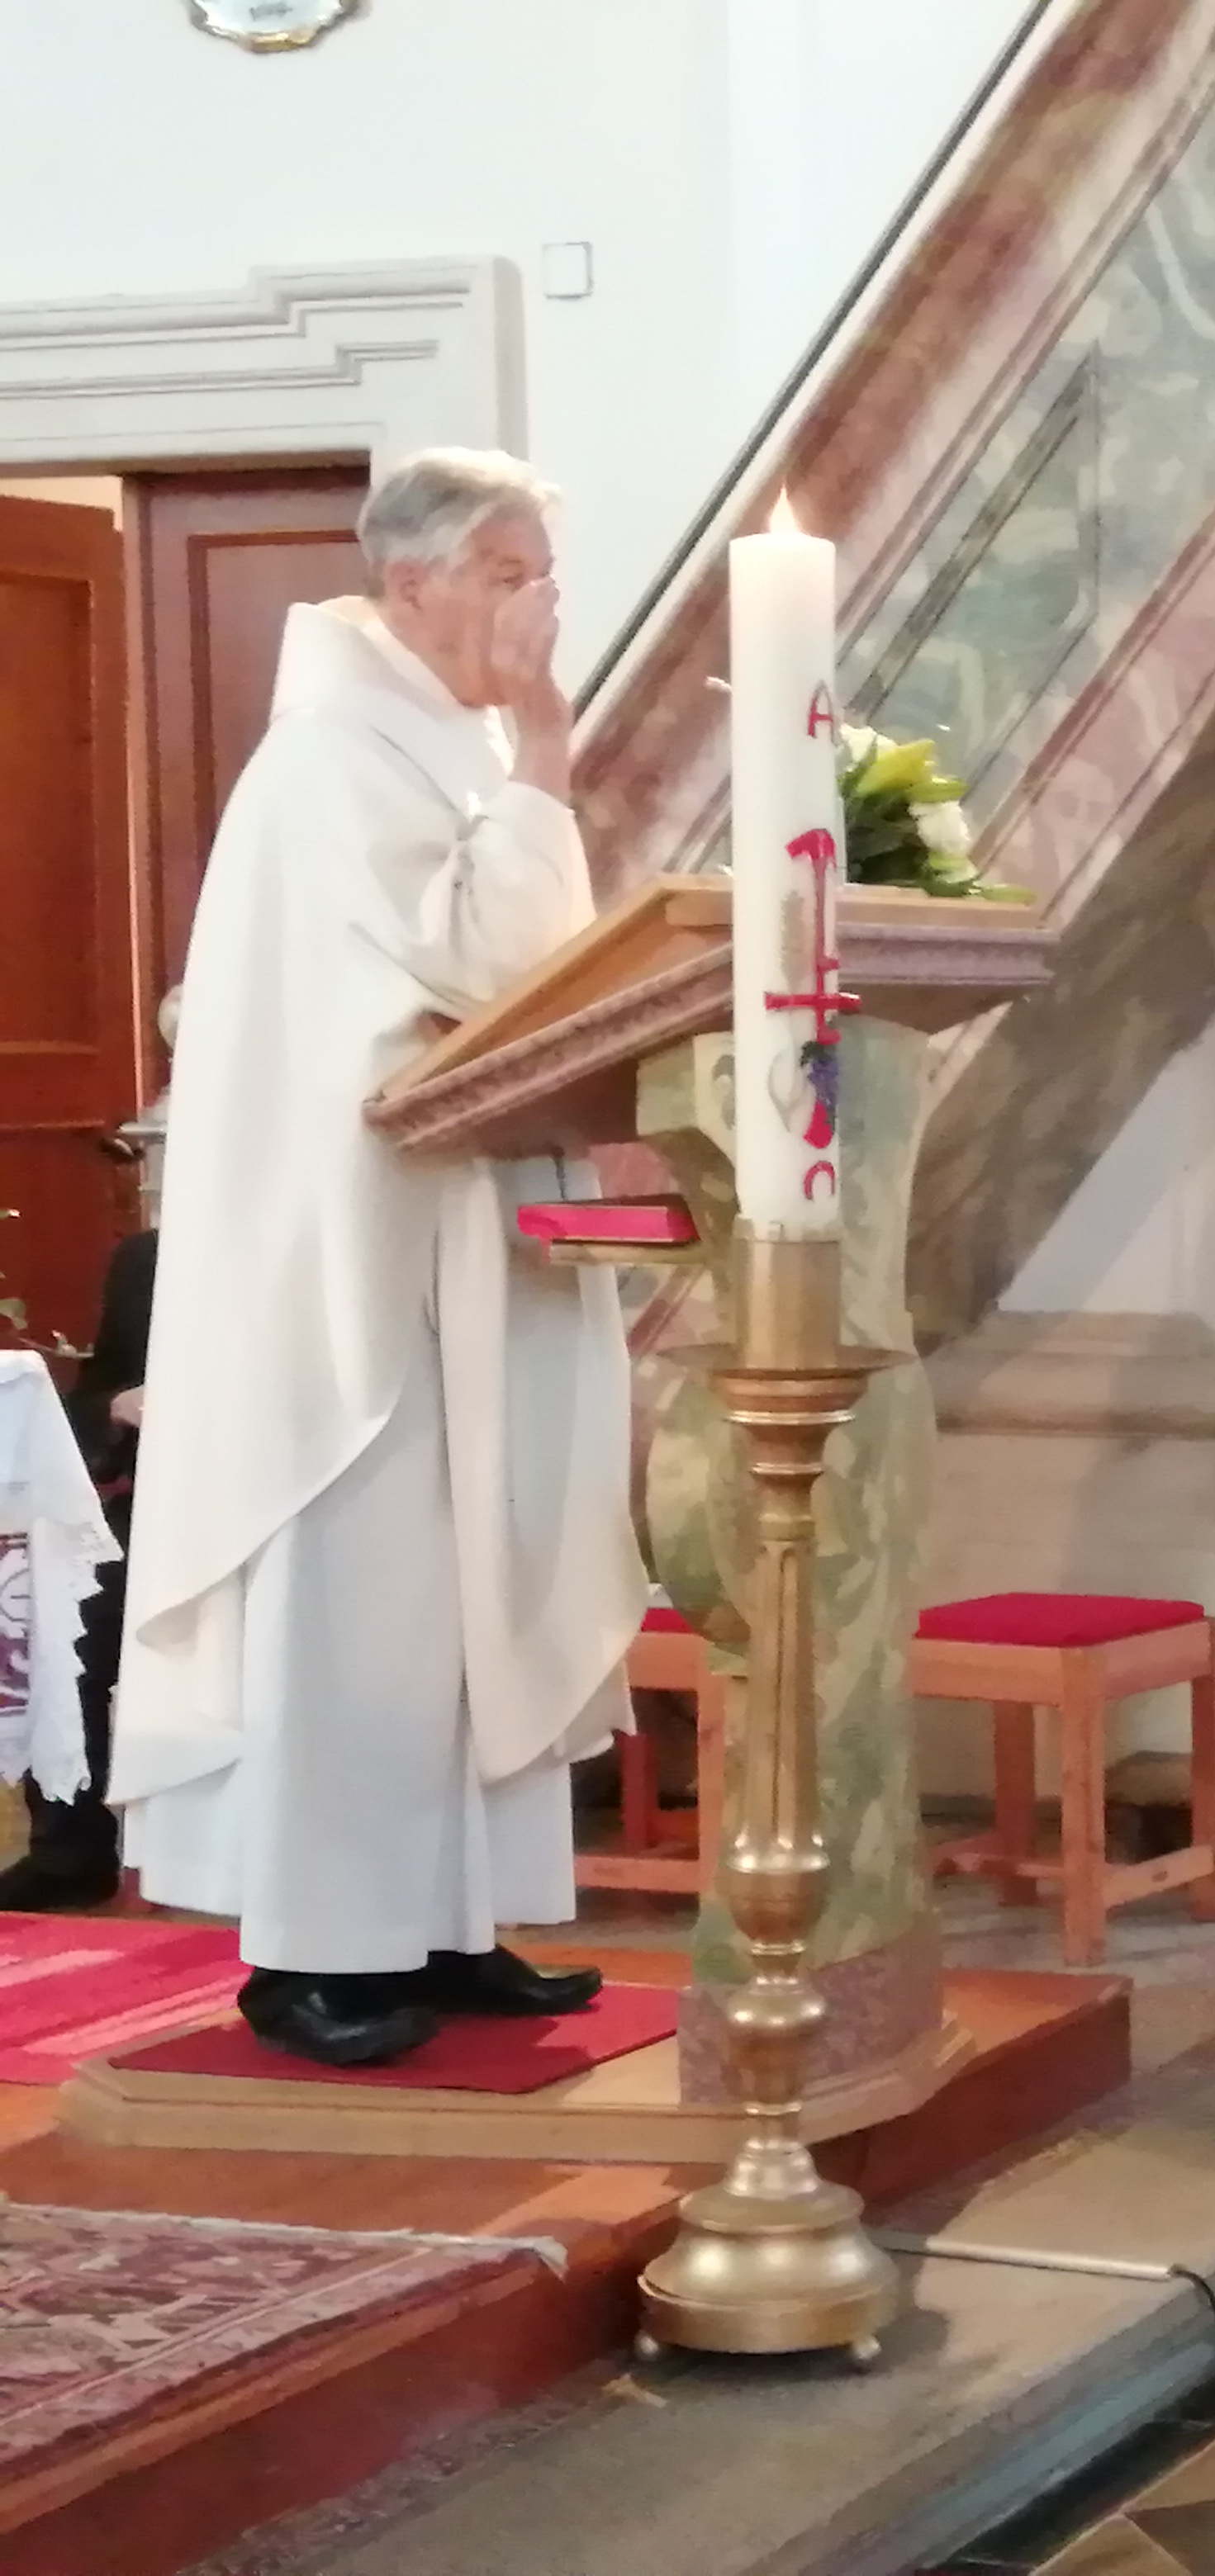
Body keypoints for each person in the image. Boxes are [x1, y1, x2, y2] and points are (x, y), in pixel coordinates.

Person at [111, 448, 648, 2069]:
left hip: (461, 1231)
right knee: (364, 1597)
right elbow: (492, 964)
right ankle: (313, 1952)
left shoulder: (434, 743)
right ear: (409, 582)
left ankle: (446, 1920)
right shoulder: (334, 756)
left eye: (543, 574)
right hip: (350, 1271)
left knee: (471, 1583)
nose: (537, 608)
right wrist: (548, 751)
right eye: (507, 573)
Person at [0, 1227, 153, 1911]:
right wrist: (117, 1407)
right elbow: (97, 1391)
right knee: (57, 1624)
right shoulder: (147, 1259)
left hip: (291, 1513)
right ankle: (69, 1854)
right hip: (154, 1509)